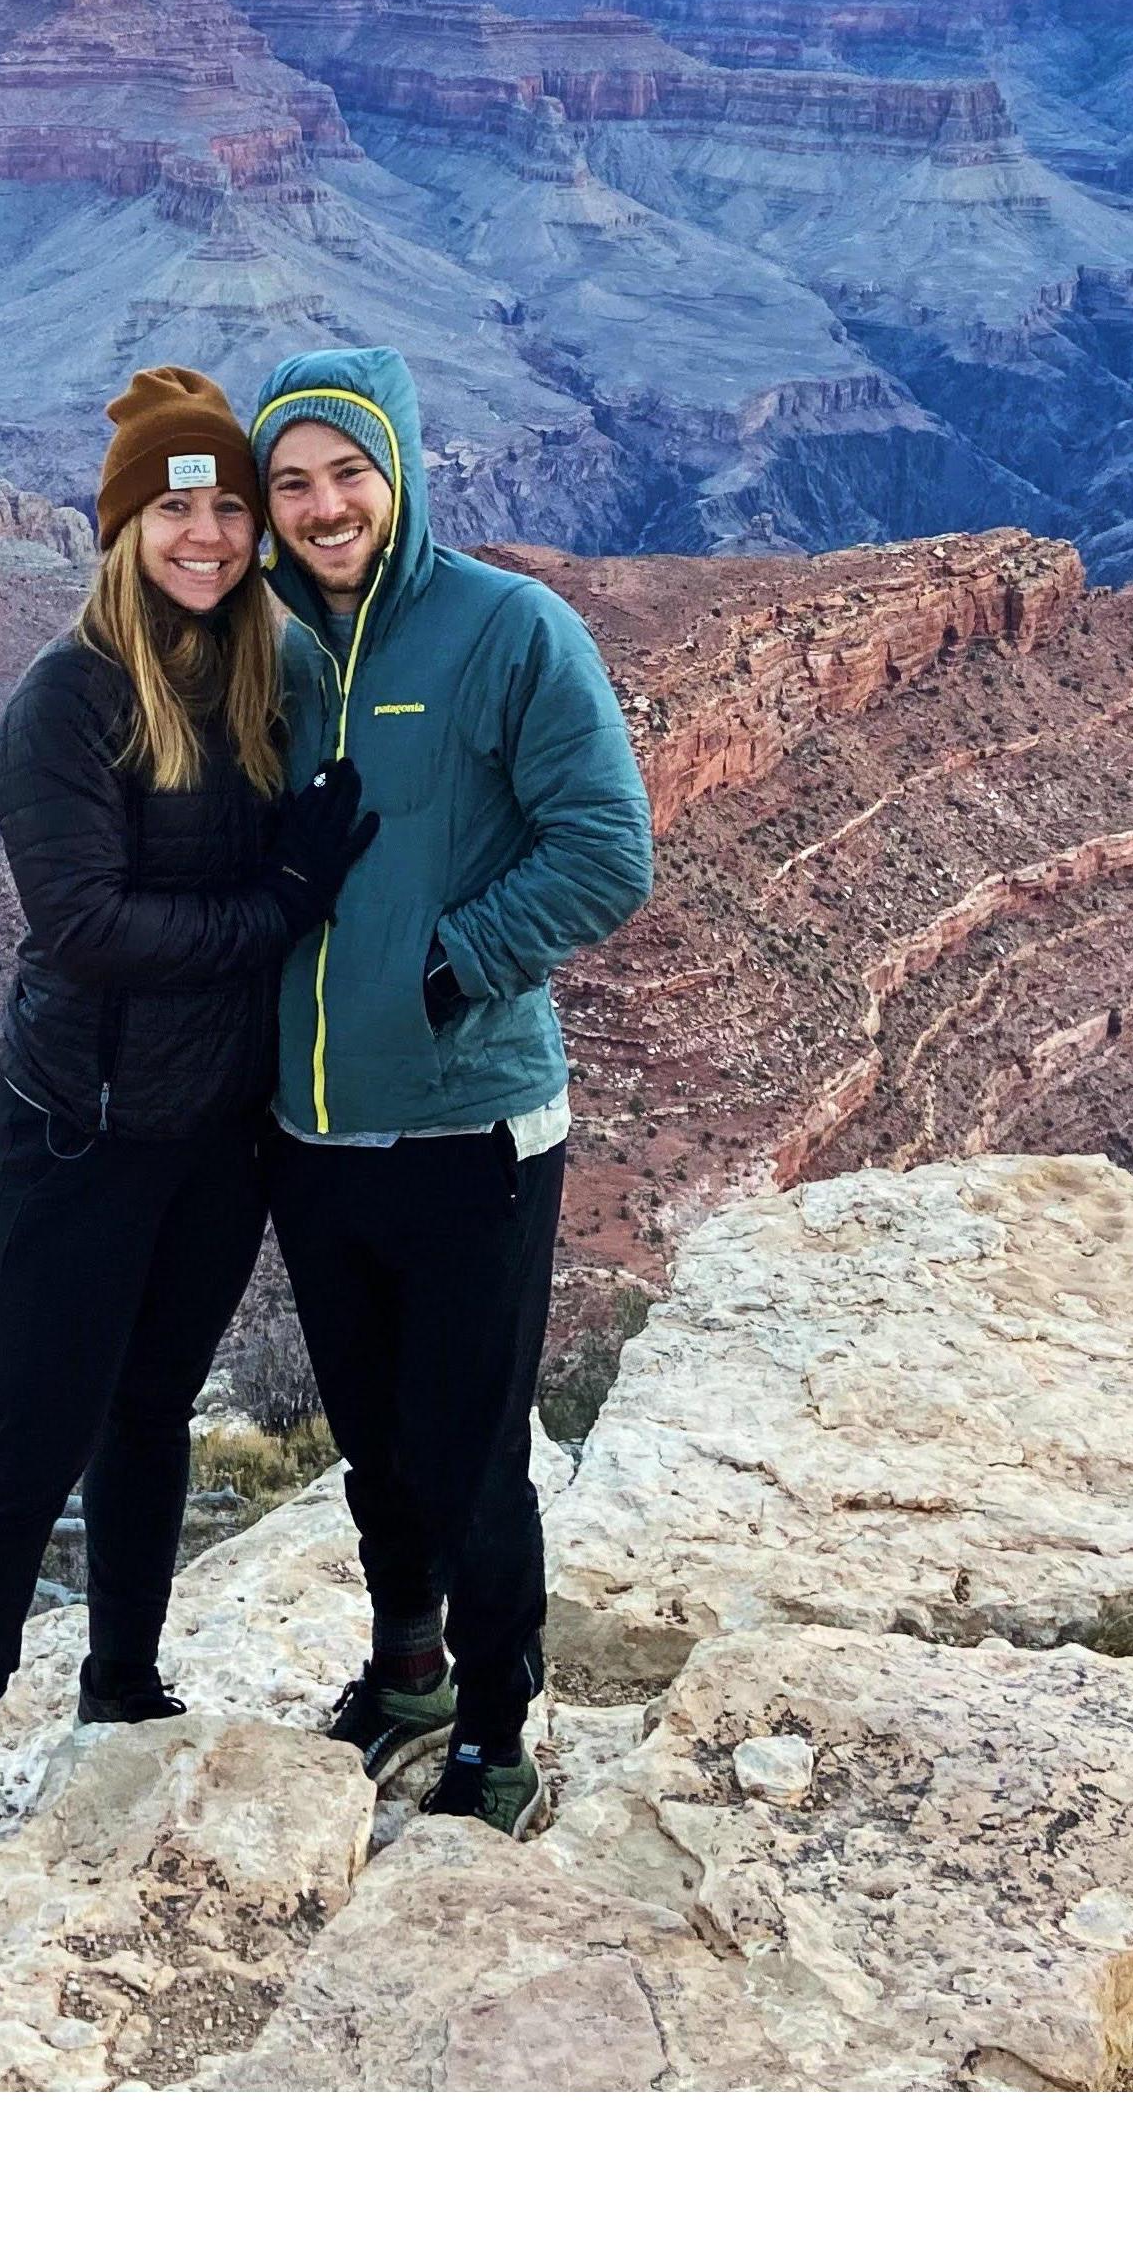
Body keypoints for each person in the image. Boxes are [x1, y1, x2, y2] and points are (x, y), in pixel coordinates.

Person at [0, 363, 379, 1922]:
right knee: (17, 1454)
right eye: (175, 508)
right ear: (124, 526)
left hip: (216, 1135)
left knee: (153, 1413)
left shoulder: (257, 668)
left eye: (228, 508)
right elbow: (86, 922)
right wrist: (287, 900)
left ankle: (122, 1681)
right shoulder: (66, 695)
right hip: (85, 1133)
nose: (210, 535)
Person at [248, 346, 654, 1839]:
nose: (322, 505)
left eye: (347, 472)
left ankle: (497, 1724)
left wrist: (448, 964)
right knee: (374, 1438)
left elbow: (607, 847)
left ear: (400, 472)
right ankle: (404, 1668)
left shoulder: (507, 630)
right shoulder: (273, 653)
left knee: (473, 1447)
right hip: (313, 1131)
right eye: (291, 482)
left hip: (469, 1122)